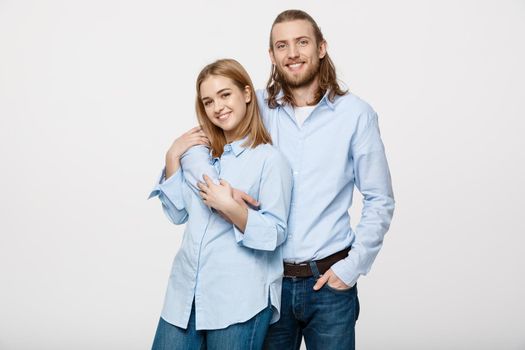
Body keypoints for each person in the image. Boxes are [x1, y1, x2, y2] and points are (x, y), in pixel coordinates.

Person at [179, 9, 395, 350]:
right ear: (272, 55)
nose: (292, 52)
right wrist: (214, 184)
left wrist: (352, 268)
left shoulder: (356, 115)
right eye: (282, 45)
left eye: (302, 42)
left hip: (329, 284)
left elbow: (379, 199)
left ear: (321, 48)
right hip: (266, 284)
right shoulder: (255, 107)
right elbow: (200, 145)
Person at [148, 58, 293, 350]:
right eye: (208, 101)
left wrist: (230, 207)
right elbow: (177, 214)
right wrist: (172, 155)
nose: (218, 107)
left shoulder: (269, 160)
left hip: (238, 302)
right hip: (184, 296)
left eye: (225, 95)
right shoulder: (198, 155)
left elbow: (275, 234)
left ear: (247, 94)